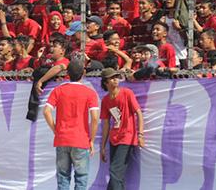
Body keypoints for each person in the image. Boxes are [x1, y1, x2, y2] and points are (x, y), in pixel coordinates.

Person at [42, 60, 99, 190]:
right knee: (81, 178)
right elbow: (95, 118)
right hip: (81, 139)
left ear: (67, 73)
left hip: (62, 138)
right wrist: (92, 140)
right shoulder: (89, 93)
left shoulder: (58, 90)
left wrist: (55, 130)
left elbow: (46, 111)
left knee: (63, 177)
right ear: (83, 73)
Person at [99, 67, 144, 190]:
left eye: (116, 77)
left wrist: (140, 135)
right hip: (114, 138)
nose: (115, 80)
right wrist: (102, 146)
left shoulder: (127, 93)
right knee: (118, 175)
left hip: (127, 137)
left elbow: (139, 113)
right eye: (112, 78)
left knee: (114, 171)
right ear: (105, 82)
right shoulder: (105, 100)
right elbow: (106, 124)